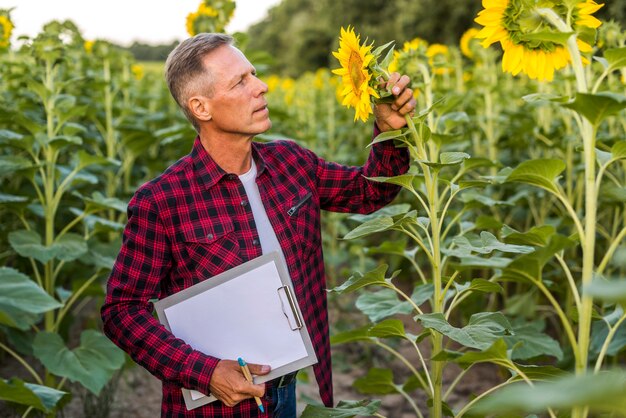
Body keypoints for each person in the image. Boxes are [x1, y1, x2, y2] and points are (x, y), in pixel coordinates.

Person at [101, 32, 415, 418]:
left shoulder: (291, 163)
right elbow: (121, 311)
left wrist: (389, 131)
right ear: (201, 107)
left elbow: (369, 192)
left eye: (254, 74)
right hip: (215, 407)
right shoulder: (164, 201)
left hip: (286, 389)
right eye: (240, 82)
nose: (261, 87)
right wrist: (206, 371)